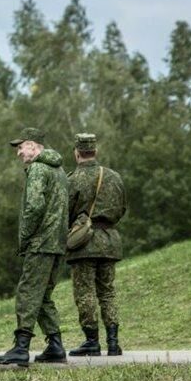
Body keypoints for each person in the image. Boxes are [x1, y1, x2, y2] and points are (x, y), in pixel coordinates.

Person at [0, 127, 69, 367]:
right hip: (57, 243)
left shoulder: (37, 168)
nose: (18, 153)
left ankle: (21, 347)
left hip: (40, 242)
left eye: (21, 146)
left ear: (34, 146)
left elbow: (34, 207)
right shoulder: (60, 171)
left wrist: (25, 237)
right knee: (43, 295)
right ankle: (55, 346)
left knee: (27, 292)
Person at [66, 133, 127, 356]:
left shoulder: (72, 179)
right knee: (108, 292)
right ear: (95, 152)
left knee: (85, 292)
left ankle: (92, 341)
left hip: (83, 244)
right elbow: (121, 209)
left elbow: (66, 212)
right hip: (110, 240)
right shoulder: (114, 177)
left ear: (76, 152)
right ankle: (113, 342)